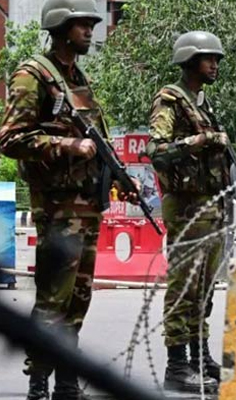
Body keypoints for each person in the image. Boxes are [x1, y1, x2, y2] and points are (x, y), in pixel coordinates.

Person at [0, 1, 138, 398]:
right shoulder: (34, 75)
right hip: (58, 208)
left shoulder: (77, 78)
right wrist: (69, 145)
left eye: (92, 25)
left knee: (78, 298)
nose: (90, 31)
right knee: (53, 298)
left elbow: (101, 143)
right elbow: (10, 139)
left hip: (87, 206)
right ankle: (38, 381)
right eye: (82, 25)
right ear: (60, 27)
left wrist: (119, 177)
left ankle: (65, 378)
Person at [146, 31, 232, 392]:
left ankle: (199, 354)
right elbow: (157, 150)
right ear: (190, 61)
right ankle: (177, 365)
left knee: (205, 289)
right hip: (186, 207)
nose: (214, 64)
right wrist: (200, 140)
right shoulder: (171, 99)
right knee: (185, 287)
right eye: (208, 58)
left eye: (216, 59)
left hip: (212, 205)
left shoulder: (203, 103)